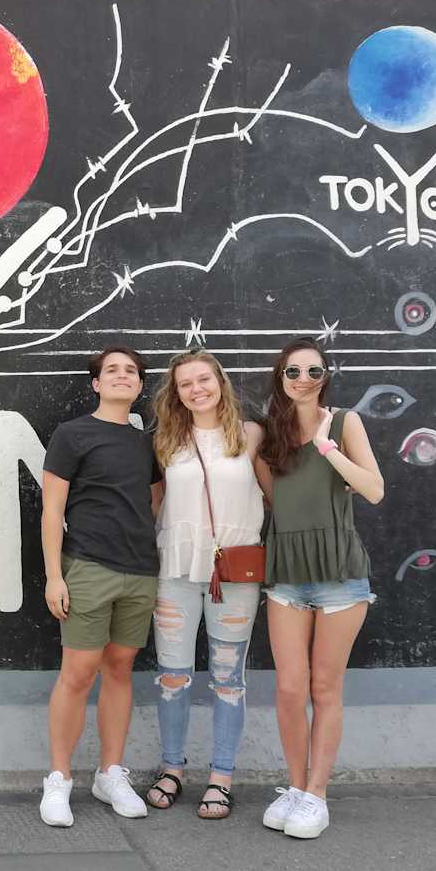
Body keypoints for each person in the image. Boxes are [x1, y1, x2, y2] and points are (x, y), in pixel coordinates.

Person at [255, 337, 384, 840]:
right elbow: (275, 501)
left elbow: (373, 489)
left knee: (325, 688)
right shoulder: (270, 435)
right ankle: (294, 787)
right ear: (280, 379)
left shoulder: (346, 422)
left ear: (325, 376)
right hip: (286, 572)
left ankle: (317, 795)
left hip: (339, 575)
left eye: (314, 371)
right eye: (293, 373)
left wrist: (329, 448)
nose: (304, 380)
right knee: (289, 689)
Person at [38, 345, 163, 828]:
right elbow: (52, 510)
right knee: (78, 671)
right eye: (111, 370)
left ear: (138, 385)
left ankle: (110, 773)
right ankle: (59, 779)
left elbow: (152, 502)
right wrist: (54, 575)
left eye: (130, 371)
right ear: (96, 383)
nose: (121, 376)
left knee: (120, 668)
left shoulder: (145, 444)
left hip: (140, 571)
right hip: (87, 568)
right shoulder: (73, 434)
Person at [144, 349, 265, 820]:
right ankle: (172, 768)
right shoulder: (165, 441)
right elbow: (153, 505)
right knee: (173, 678)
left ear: (220, 382)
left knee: (228, 681)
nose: (197, 389)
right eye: (185, 384)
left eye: (203, 379)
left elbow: (276, 495)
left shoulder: (250, 435)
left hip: (233, 574)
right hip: (174, 571)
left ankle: (221, 777)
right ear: (175, 394)